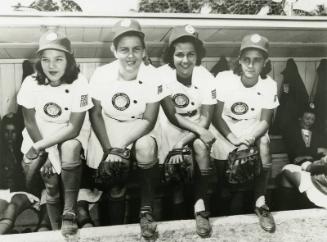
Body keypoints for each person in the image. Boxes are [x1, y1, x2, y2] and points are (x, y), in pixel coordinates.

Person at [87, 19, 168, 240]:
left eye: (136, 49)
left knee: (145, 147)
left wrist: (121, 146)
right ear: (114, 50)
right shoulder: (101, 74)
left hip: (140, 126)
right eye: (124, 49)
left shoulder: (153, 75)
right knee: (115, 184)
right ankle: (115, 233)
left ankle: (146, 211)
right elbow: (94, 113)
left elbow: (149, 119)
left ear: (144, 51)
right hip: (108, 127)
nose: (130, 56)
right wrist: (110, 150)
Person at [17, 31, 93, 237]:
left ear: (69, 60)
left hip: (69, 130)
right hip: (39, 133)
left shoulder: (80, 82)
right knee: (50, 186)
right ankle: (54, 233)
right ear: (39, 61)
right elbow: (30, 122)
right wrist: (48, 153)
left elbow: (74, 128)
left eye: (59, 59)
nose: (52, 66)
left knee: (70, 148)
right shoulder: (31, 82)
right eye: (45, 59)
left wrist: (42, 148)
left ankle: (69, 212)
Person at [210, 33, 279, 233]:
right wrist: (234, 140)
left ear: (265, 62)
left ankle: (260, 201)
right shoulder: (225, 78)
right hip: (226, 129)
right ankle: (222, 199)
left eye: (257, 60)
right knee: (225, 182)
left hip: (252, 129)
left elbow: (266, 120)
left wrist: (248, 139)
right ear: (239, 60)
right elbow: (216, 116)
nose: (251, 65)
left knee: (264, 143)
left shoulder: (269, 84)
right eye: (246, 59)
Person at [158, 24, 217, 238]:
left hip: (198, 125)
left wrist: (188, 139)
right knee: (176, 169)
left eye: (191, 54)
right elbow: (171, 114)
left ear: (197, 55)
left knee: (201, 146)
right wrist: (180, 144)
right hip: (171, 125)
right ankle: (175, 221)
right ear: (171, 54)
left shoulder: (207, 77)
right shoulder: (161, 75)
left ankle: (201, 207)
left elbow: (207, 117)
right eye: (179, 54)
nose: (185, 60)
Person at [281, 107, 327, 209]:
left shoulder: (318, 135)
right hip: (299, 162)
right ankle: (290, 208)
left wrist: (309, 154)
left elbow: (322, 151)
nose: (310, 121)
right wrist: (315, 151)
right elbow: (295, 152)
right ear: (300, 118)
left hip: (313, 165)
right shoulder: (292, 132)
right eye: (307, 118)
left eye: (312, 119)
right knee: (288, 169)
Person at [0, 115, 40, 234]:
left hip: (22, 191)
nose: (10, 136)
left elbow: (30, 180)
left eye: (13, 132)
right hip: (3, 192)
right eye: (6, 132)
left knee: (12, 206)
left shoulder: (24, 150)